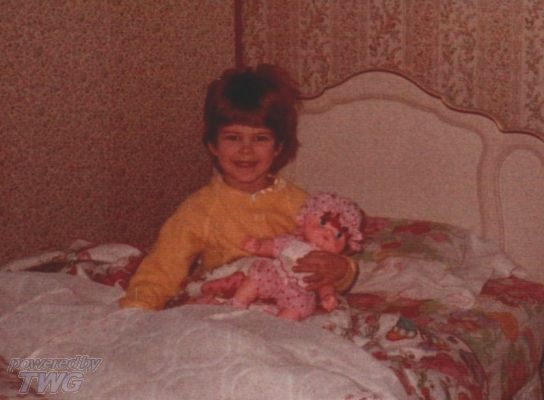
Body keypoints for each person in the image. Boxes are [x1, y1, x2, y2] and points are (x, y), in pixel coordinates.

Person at [119, 64, 359, 310]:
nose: (246, 150)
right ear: (213, 145)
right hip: (224, 307)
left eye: (260, 138)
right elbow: (162, 268)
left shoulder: (302, 206)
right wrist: (135, 310)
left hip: (287, 307)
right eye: (233, 138)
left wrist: (341, 269)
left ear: (278, 147)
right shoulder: (199, 209)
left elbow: (330, 254)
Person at [199, 192, 365, 321]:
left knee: (296, 309)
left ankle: (278, 327)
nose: (327, 234)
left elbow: (325, 282)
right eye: (322, 223)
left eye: (338, 235)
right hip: (275, 275)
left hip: (298, 292)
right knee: (256, 278)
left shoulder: (326, 261)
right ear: (305, 219)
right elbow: (273, 246)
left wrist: (327, 296)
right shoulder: (292, 241)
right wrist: (258, 246)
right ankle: (237, 304)